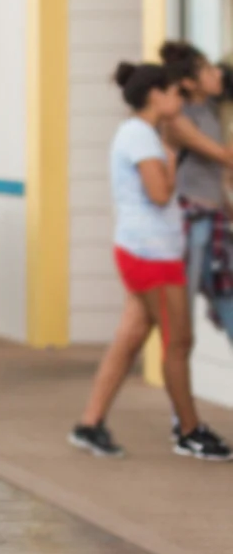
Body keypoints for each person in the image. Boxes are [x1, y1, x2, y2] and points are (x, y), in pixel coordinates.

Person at [70, 62, 233, 462]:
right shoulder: (141, 136)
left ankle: (90, 424)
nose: (180, 99)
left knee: (129, 341)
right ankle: (189, 432)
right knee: (179, 342)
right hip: (151, 256)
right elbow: (159, 194)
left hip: (147, 251)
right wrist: (172, 161)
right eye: (175, 92)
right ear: (156, 95)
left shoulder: (140, 133)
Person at [157, 41, 233, 346]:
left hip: (214, 218)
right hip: (192, 221)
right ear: (189, 83)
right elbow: (223, 156)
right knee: (181, 309)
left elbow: (217, 173)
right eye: (208, 70)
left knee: (227, 295)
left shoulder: (212, 110)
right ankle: (176, 363)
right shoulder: (179, 119)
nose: (218, 74)